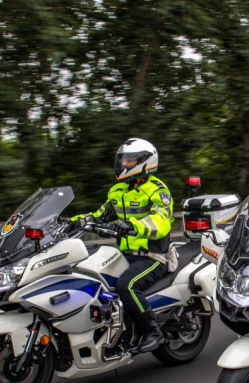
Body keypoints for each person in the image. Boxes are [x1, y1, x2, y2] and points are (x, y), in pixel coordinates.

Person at [69, 138, 173, 352]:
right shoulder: (118, 191)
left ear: (145, 161)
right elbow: (100, 215)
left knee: (127, 285)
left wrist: (132, 225)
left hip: (152, 257)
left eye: (129, 160)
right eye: (123, 160)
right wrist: (73, 222)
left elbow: (161, 221)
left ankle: (153, 331)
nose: (124, 164)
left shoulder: (157, 190)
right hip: (125, 255)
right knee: (93, 279)